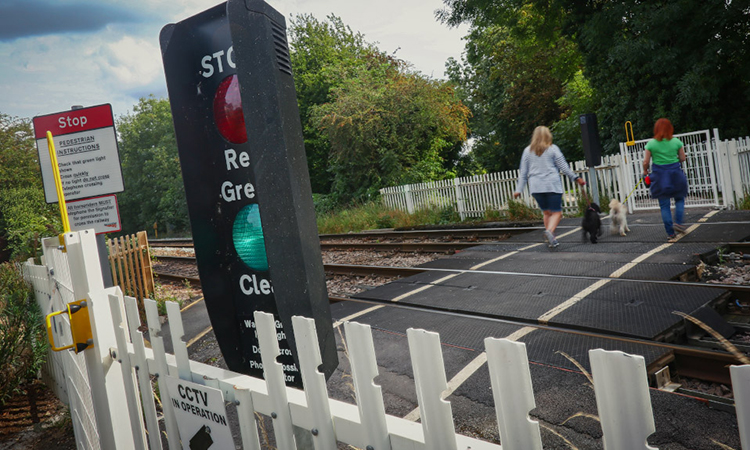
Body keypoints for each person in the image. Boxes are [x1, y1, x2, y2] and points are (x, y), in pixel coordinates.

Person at [514, 126, 586, 248]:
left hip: (536, 187)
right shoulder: (553, 149)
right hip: (551, 185)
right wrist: (575, 178)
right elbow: (564, 166)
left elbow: (523, 173)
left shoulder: (527, 151)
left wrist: (518, 190)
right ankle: (550, 232)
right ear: (548, 135)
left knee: (547, 213)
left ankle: (551, 240)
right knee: (557, 213)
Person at [642, 118, 688, 240]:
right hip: (675, 174)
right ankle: (678, 222)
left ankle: (670, 233)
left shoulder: (651, 144)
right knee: (679, 199)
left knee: (664, 205)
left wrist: (645, 170)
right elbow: (683, 158)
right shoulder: (676, 142)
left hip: (660, 175)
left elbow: (646, 161)